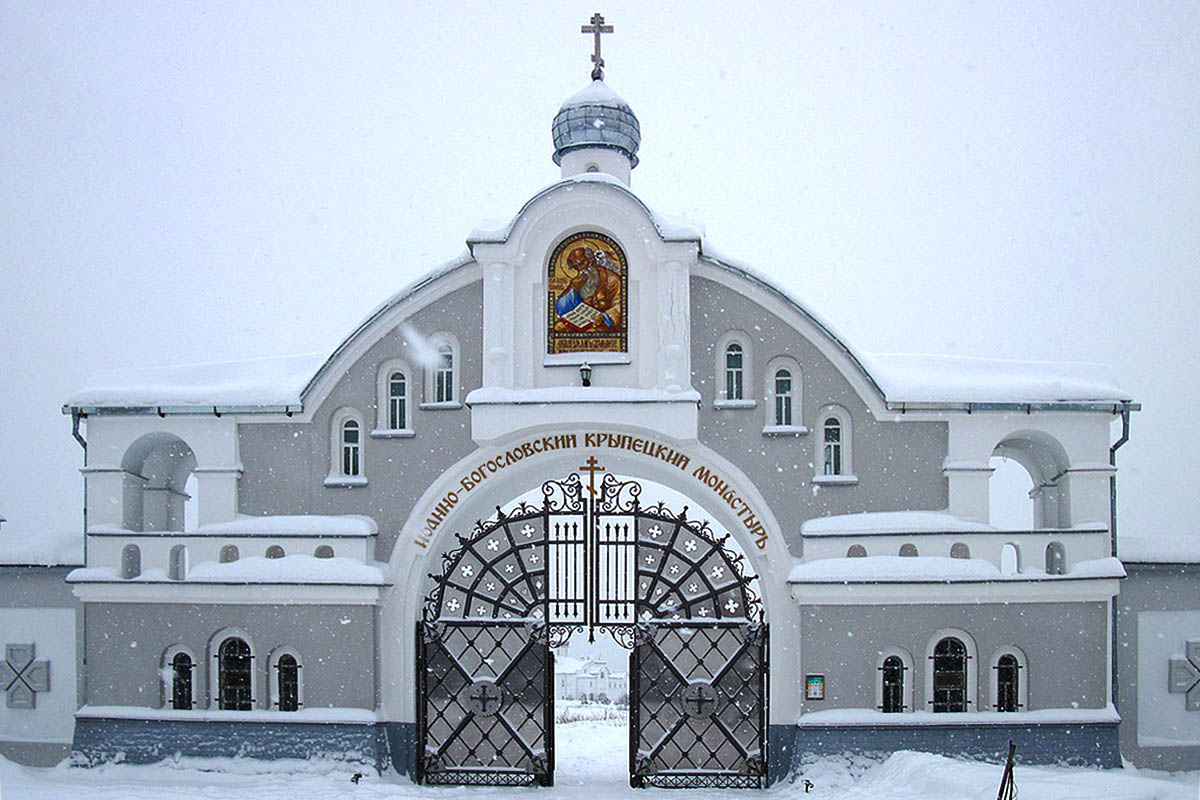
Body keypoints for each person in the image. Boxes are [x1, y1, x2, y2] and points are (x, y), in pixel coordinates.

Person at [554, 246, 622, 331]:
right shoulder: (579, 280)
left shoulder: (611, 279)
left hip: (603, 322)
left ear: (590, 260)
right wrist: (574, 289)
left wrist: (605, 316)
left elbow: (621, 305)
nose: (581, 268)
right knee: (558, 327)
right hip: (582, 320)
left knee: (591, 332)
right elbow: (561, 309)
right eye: (576, 266)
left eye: (582, 263)